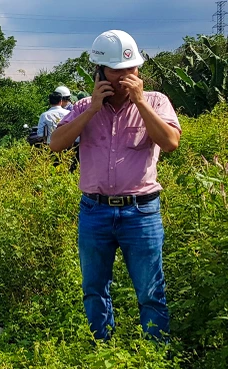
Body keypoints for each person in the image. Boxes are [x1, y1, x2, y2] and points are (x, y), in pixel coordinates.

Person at [51, 30, 181, 342]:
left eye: (130, 69)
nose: (124, 76)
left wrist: (139, 102)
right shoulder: (83, 106)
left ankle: (154, 354)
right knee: (94, 288)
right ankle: (102, 348)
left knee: (150, 290)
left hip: (141, 212)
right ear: (100, 73)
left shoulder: (156, 101)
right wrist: (93, 108)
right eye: (115, 70)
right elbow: (56, 144)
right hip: (95, 211)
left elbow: (171, 142)